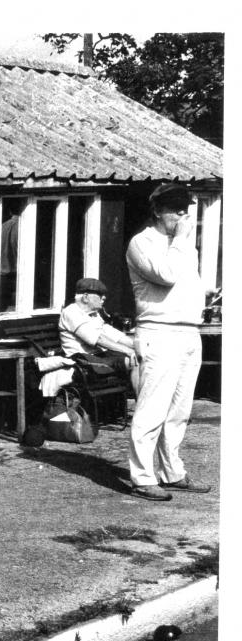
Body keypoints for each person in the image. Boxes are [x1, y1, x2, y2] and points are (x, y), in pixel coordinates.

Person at [125, 183, 211, 501]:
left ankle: (171, 472)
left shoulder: (182, 243)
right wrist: (182, 240)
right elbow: (167, 273)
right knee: (152, 409)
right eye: (176, 209)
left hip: (189, 332)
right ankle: (143, 477)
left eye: (185, 209)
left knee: (179, 410)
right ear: (158, 211)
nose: (183, 215)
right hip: (158, 333)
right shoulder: (141, 243)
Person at [57, 277, 141, 394]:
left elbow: (113, 334)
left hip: (100, 356)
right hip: (82, 360)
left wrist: (137, 346)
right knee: (135, 362)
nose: (104, 298)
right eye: (99, 295)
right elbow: (99, 339)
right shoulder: (71, 312)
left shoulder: (94, 314)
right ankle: (142, 407)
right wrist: (130, 352)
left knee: (142, 356)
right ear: (86, 297)